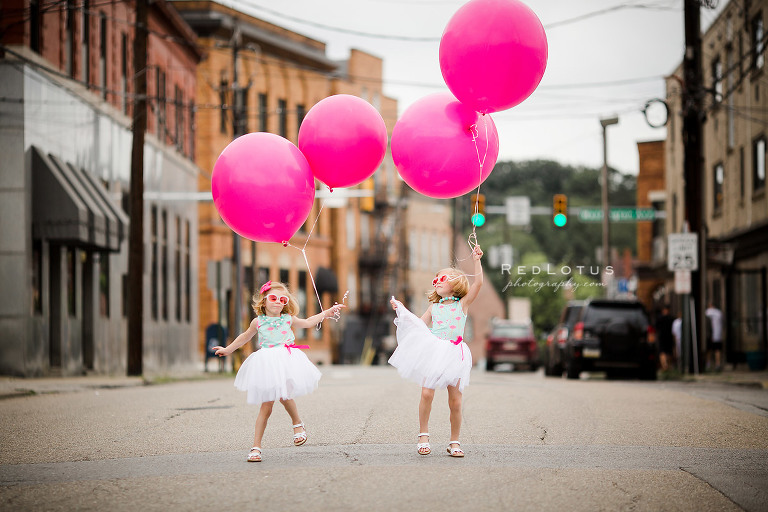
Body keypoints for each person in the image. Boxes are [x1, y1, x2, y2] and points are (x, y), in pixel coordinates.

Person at [212, 280, 345, 462]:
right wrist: (228, 349)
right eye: (273, 298)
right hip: (266, 364)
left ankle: (297, 423)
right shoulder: (257, 321)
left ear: (285, 304)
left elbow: (307, 322)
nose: (277, 302)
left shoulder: (287, 319)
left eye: (282, 299)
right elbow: (244, 337)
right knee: (266, 407)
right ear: (264, 301)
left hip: (285, 361)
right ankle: (256, 447)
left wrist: (326, 313)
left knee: (285, 396)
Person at [389, 245, 483, 458]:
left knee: (455, 401)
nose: (437, 282)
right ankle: (423, 435)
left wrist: (477, 260)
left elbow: (479, 283)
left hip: (454, 354)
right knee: (426, 393)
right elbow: (418, 326)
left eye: (442, 279)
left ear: (455, 283)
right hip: (434, 351)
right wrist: (402, 311)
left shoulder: (463, 304)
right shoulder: (434, 307)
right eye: (436, 279)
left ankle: (455, 441)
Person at [655, 305, 675, 371]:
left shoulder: (659, 318)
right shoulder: (671, 318)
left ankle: (664, 366)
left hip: (663, 337)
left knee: (663, 352)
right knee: (668, 352)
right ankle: (667, 366)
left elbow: (656, 328)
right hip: (668, 337)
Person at [705, 301, 724, 371]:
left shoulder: (707, 312)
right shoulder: (719, 313)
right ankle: (717, 364)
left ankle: (708, 364)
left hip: (709, 335)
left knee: (708, 350)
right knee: (717, 350)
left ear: (709, 305)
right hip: (717, 335)